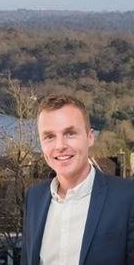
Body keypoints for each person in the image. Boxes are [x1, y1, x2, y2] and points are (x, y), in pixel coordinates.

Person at [21, 94, 134, 264]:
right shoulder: (34, 197)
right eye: (49, 136)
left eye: (70, 133)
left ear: (90, 137)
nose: (60, 146)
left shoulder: (127, 197)